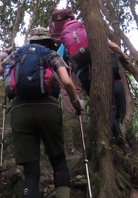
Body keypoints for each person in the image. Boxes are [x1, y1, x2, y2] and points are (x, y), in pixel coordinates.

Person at [0, 27, 85, 198]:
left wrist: (3, 53)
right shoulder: (51, 54)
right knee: (57, 159)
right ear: (48, 41)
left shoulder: (17, 54)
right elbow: (66, 81)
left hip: (20, 110)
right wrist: (76, 103)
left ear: (30, 40)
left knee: (31, 168)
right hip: (47, 107)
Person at [51, 8, 131, 149]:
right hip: (104, 67)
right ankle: (119, 139)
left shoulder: (65, 41)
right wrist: (124, 58)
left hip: (84, 74)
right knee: (114, 104)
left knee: (102, 103)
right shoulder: (89, 30)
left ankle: (116, 137)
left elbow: (57, 60)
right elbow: (112, 45)